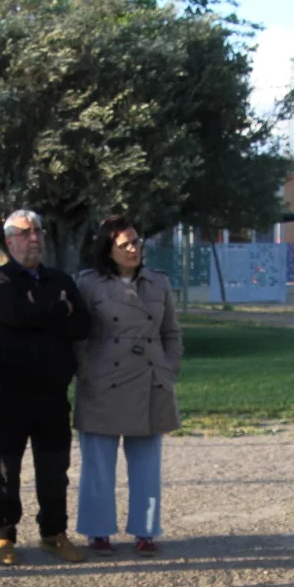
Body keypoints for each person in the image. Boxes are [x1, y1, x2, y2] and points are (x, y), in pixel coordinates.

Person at [0, 209, 92, 565]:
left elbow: (83, 324)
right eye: (26, 233)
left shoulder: (59, 278)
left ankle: (53, 533)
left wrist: (42, 311)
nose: (35, 239)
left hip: (52, 393)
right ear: (10, 240)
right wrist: (58, 311)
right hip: (8, 393)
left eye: (39, 232)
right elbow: (15, 315)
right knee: (4, 469)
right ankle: (3, 536)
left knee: (54, 469)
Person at [73, 216, 182, 556]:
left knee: (147, 465)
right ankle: (97, 531)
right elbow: (77, 336)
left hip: (150, 380)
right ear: (109, 249)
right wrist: (87, 372)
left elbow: (172, 333)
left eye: (137, 241)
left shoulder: (158, 283)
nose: (134, 249)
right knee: (98, 465)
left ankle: (146, 530)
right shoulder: (88, 284)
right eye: (125, 244)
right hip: (102, 383)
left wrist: (167, 370)